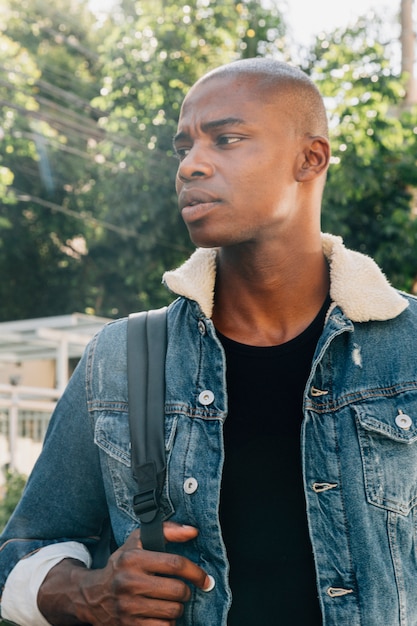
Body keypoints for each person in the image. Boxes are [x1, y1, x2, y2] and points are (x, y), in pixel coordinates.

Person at [0, 56, 416, 626]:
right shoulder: (121, 358)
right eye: (183, 147)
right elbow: (23, 547)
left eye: (226, 139)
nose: (191, 166)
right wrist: (86, 592)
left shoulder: (409, 347)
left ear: (310, 158)